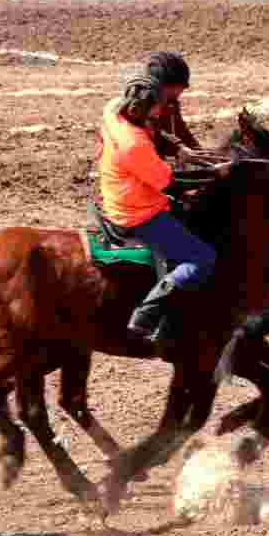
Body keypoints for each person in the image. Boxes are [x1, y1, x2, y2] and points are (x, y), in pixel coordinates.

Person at [96, 52, 231, 342]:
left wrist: (179, 149)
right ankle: (148, 314)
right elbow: (171, 183)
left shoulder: (115, 112)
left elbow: (154, 131)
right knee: (201, 258)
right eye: (160, 107)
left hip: (121, 192)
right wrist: (214, 173)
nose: (163, 111)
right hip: (138, 212)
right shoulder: (134, 145)